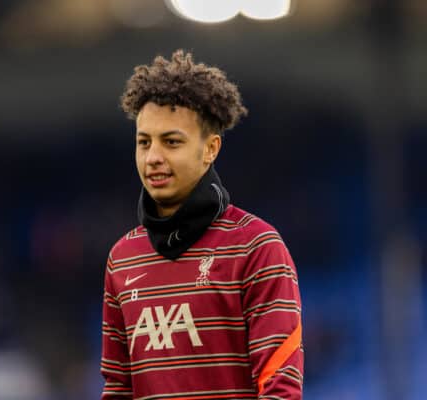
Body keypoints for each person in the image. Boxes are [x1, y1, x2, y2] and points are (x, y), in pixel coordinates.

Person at [100, 50, 303, 399]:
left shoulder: (256, 247)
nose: (153, 158)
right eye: (144, 142)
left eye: (172, 142)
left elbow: (280, 387)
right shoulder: (123, 258)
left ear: (210, 149)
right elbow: (118, 389)